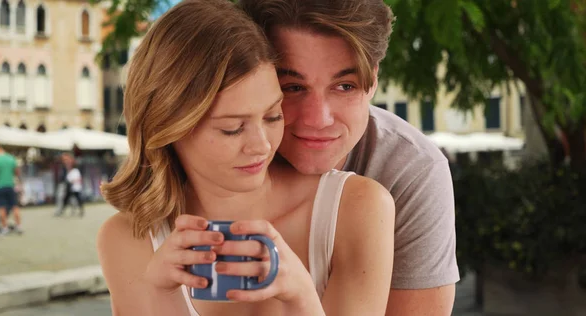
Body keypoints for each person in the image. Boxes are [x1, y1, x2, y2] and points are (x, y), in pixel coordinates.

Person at [96, 1, 395, 315]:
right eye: (232, 128)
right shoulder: (125, 240)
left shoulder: (357, 208)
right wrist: (159, 296)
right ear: (170, 127)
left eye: (272, 117)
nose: (262, 146)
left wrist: (302, 297)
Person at [238, 1, 459, 315]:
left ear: (374, 81)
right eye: (293, 87)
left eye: (345, 86)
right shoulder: (211, 153)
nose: (319, 119)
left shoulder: (411, 169)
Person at [0, 144, 22, 235]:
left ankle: (4, 228)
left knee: (2, 207)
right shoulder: (11, 158)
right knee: (14, 206)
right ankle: (19, 226)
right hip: (10, 185)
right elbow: (17, 172)